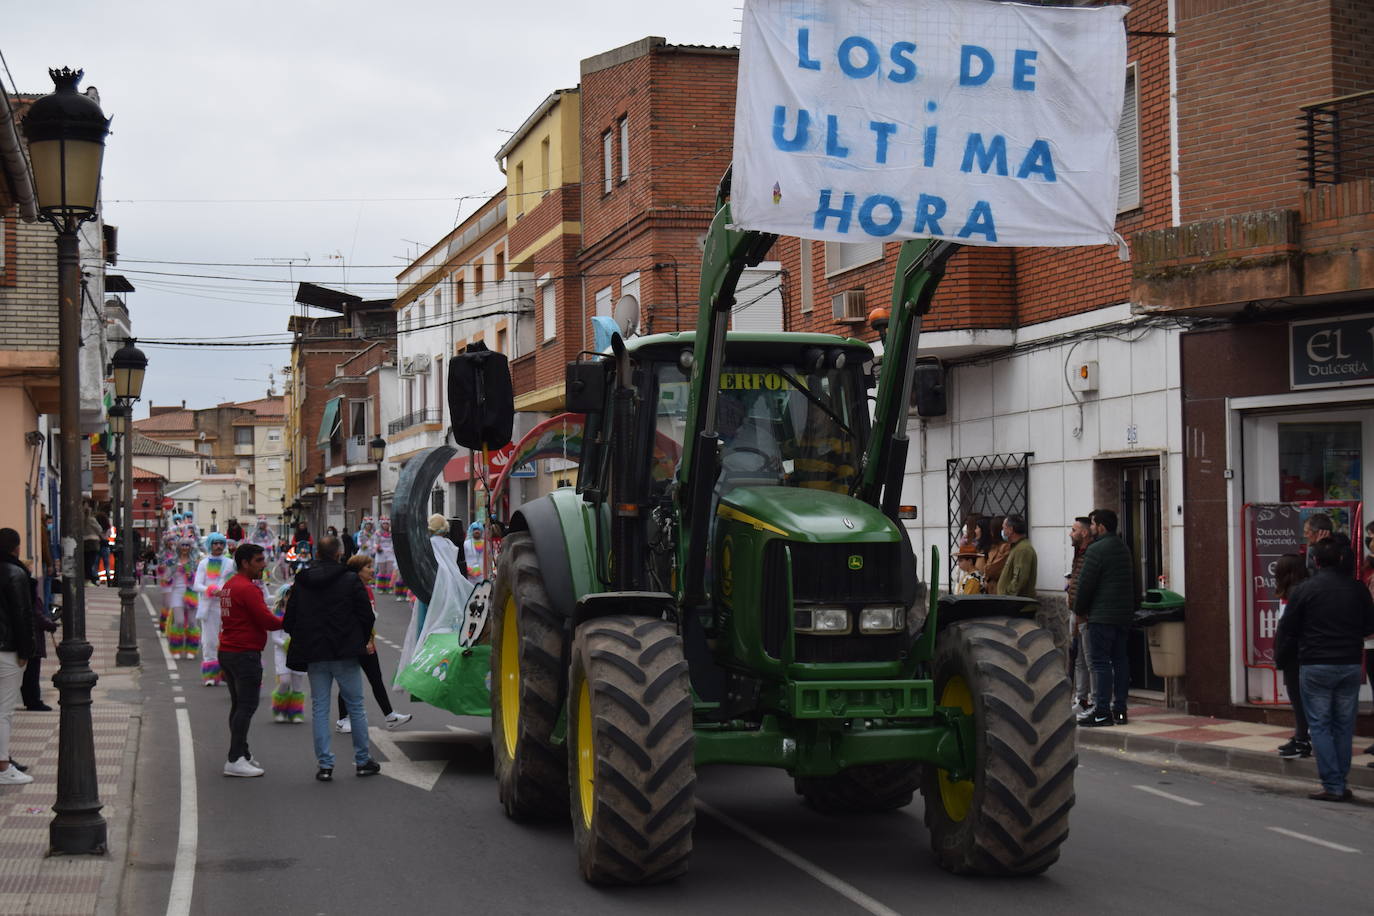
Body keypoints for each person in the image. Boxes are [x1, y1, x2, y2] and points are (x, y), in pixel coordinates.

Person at [1276, 535, 1374, 802]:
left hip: (1315, 664)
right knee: (1343, 726)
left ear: (1315, 561)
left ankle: (1333, 785)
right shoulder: (1357, 589)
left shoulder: (1305, 590)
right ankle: (1339, 782)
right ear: (1343, 559)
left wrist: (1281, 659)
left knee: (1320, 725)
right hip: (1350, 664)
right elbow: (1369, 628)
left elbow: (1288, 630)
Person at [282, 535, 381, 781]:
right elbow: (366, 614)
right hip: (345, 651)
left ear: (317, 553)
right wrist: (359, 638)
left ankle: (325, 765)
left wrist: (305, 637)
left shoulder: (302, 580)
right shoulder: (349, 580)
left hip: (315, 653)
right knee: (356, 706)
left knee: (320, 708)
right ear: (339, 554)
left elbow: (289, 618)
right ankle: (362, 760)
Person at [217, 543, 284, 777]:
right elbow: (268, 621)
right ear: (245, 563)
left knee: (238, 706)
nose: (264, 564)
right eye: (258, 560)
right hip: (244, 654)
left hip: (228, 652)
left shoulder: (230, 585)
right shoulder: (247, 588)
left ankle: (241, 753)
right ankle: (234, 759)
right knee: (246, 706)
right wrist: (291, 618)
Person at [1074, 508, 1136, 727]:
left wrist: (1079, 609)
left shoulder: (1096, 549)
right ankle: (1120, 710)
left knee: (1100, 663)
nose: (1091, 528)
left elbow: (1086, 584)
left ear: (1101, 526)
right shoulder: (1123, 547)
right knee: (1120, 661)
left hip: (1102, 615)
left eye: (1092, 524)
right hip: (1122, 615)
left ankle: (1101, 712)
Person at [335, 554, 411, 733]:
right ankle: (342, 719)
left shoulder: (367, 589)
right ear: (358, 571)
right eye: (368, 567)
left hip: (367, 640)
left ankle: (390, 716)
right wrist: (362, 640)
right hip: (353, 642)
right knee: (347, 681)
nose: (372, 570)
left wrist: (369, 639)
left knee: (376, 679)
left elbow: (369, 617)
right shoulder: (349, 589)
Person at [0, 527, 37, 785]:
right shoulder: (16, 573)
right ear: (16, 548)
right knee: (3, 711)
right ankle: (3, 767)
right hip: (7, 650)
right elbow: (23, 615)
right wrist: (26, 651)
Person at [1272, 553, 1311, 759]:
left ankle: (1303, 738)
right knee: (1298, 698)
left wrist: (1281, 652)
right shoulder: (1292, 592)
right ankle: (1301, 735)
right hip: (1295, 652)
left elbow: (1289, 628)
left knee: (1299, 698)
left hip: (1295, 653)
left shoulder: (1296, 593)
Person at [193, 533, 236, 686]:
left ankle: (226, 674)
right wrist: (210, 589)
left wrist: (223, 591)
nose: (218, 546)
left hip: (226, 606)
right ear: (210, 545)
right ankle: (211, 676)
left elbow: (234, 583)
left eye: (221, 543)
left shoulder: (231, 563)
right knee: (209, 641)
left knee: (227, 642)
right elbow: (196, 585)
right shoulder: (203, 563)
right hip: (209, 607)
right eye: (215, 543)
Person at [1066, 516, 1095, 713]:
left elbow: (1087, 585)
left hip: (1085, 613)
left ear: (1084, 532)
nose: (1071, 533)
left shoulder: (1091, 553)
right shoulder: (1079, 552)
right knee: (1078, 659)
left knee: (1090, 658)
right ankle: (1081, 698)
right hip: (1075, 610)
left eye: (1074, 530)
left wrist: (1080, 611)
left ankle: (1096, 699)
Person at [19, 565, 57, 712]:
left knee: (28, 673)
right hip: (32, 639)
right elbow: (37, 615)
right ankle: (33, 701)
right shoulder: (29, 590)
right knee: (32, 673)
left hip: (24, 637)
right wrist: (51, 625)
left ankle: (30, 699)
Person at [267, 584, 306, 724]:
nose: (290, 598)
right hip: (282, 652)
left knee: (297, 684)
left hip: (299, 651)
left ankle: (295, 712)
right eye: (288, 595)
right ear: (283, 596)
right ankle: (279, 709)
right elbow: (275, 637)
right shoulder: (277, 613)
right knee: (284, 681)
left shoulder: (302, 612)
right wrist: (285, 644)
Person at [160, 540, 201, 659]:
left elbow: (200, 578)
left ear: (190, 547)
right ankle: (176, 648)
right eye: (183, 545)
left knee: (193, 623)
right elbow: (165, 578)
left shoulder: (195, 563)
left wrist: (191, 576)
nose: (185, 547)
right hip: (177, 594)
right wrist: (168, 579)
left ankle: (191, 650)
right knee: (179, 621)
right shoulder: (172, 562)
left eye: (187, 545)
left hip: (192, 593)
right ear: (179, 547)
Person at [995, 514, 1037, 605]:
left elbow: (1019, 579)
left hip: (1018, 606)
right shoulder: (1016, 547)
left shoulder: (1023, 549)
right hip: (1014, 604)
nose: (1002, 531)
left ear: (1011, 529)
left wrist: (1007, 596)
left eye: (1004, 528)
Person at [978, 515, 1010, 587]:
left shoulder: (1005, 547)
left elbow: (991, 569)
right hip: (990, 587)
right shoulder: (994, 547)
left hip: (998, 586)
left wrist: (987, 569)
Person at [82, 502, 104, 586]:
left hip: (83, 542)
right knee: (91, 562)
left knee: (86, 562)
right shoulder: (91, 519)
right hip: (92, 543)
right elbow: (99, 529)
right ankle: (89, 579)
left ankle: (87, 579)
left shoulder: (80, 520)